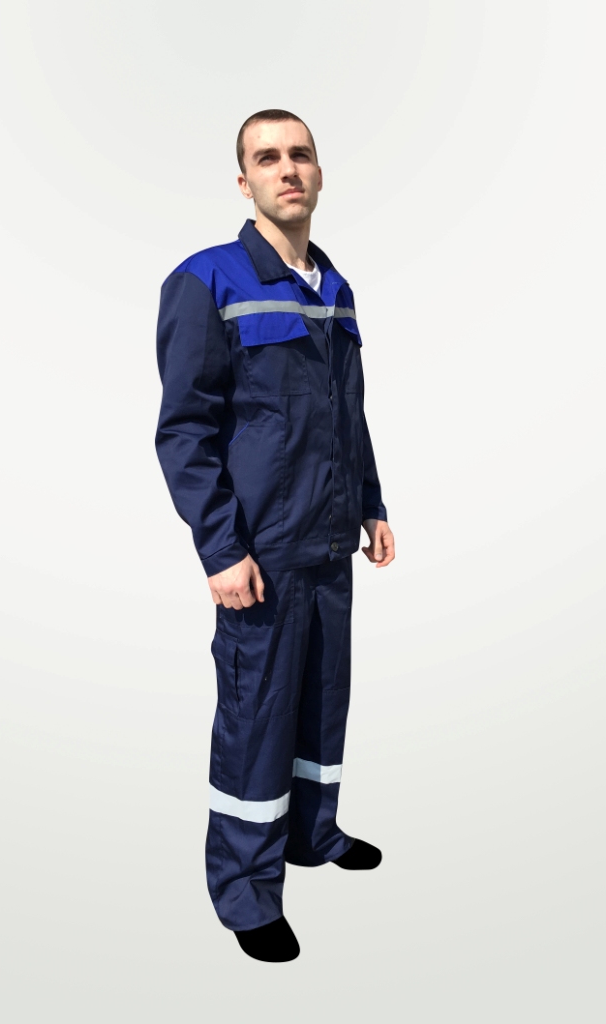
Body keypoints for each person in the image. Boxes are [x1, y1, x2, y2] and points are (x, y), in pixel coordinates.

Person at [154, 109, 395, 962]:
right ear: (244, 181)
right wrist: (221, 549)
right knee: (256, 720)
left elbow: (345, 414)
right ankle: (245, 893)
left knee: (322, 703)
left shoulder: (334, 287)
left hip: (329, 544)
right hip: (259, 554)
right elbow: (184, 431)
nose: (286, 169)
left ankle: (311, 834)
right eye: (267, 157)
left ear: (319, 174)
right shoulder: (207, 280)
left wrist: (370, 503)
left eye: (300, 155)